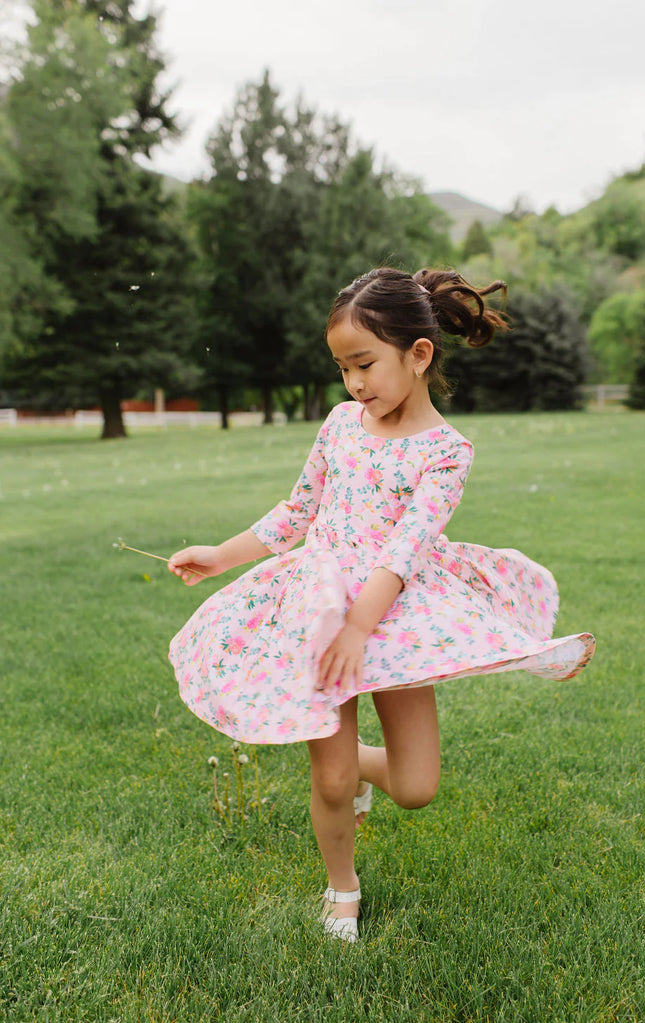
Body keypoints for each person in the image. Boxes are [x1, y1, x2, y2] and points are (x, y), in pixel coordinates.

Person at [167, 267, 595, 943]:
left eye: (364, 364)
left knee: (417, 784)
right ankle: (342, 887)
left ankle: (357, 761)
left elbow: (406, 547)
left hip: (393, 616)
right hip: (322, 609)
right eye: (343, 368)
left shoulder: (446, 452)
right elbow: (299, 510)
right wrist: (220, 553)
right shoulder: (341, 425)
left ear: (418, 354)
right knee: (331, 780)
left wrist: (362, 624)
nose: (355, 383)